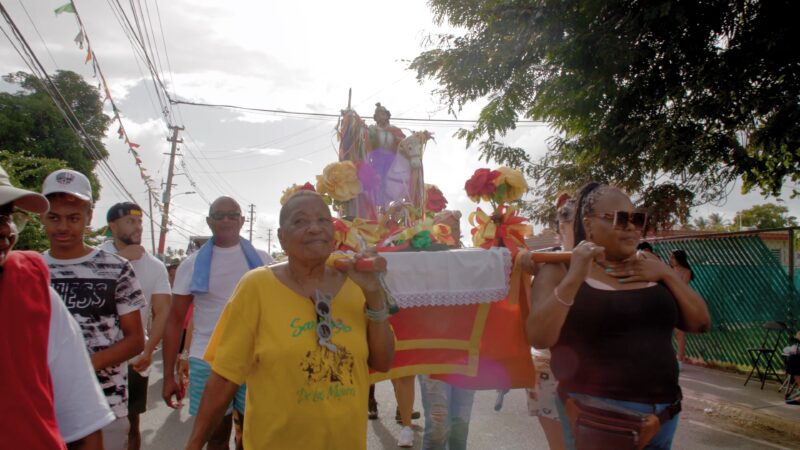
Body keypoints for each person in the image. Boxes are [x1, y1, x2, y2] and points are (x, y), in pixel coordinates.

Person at [185, 190, 395, 449]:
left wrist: (374, 295)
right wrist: (193, 444)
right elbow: (224, 378)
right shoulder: (257, 287)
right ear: (281, 237)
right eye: (300, 221)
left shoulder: (356, 284)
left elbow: (383, 361)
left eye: (323, 220)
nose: (314, 228)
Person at [528, 182, 711, 450]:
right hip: (598, 419)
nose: (630, 226)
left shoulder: (650, 266)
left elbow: (701, 323)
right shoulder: (560, 269)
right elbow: (539, 336)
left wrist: (667, 274)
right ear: (588, 224)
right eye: (618, 218)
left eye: (636, 219)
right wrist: (576, 276)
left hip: (664, 416)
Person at [0, 164, 114, 449]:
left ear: (89, 217)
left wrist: (93, 364)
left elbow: (82, 421)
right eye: (54, 216)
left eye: (6, 215)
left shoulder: (31, 287)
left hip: (112, 391)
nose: (5, 230)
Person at [41, 169, 146, 450]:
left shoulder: (117, 269)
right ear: (42, 217)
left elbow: (136, 340)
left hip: (104, 406)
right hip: (41, 404)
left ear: (89, 217)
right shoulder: (30, 270)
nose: (63, 227)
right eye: (54, 217)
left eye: (73, 218)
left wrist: (81, 368)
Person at [162, 196, 272, 450]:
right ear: (209, 221)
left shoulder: (263, 260)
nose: (226, 220)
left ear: (242, 220)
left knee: (252, 436)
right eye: (219, 215)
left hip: (254, 360)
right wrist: (168, 375)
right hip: (206, 360)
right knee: (216, 437)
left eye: (232, 214)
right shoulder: (191, 264)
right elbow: (175, 319)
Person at [102, 202, 172, 450]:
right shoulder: (96, 256)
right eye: (130, 221)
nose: (138, 227)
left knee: (130, 426)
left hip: (133, 358)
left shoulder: (155, 266)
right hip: (93, 356)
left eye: (140, 221)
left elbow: (163, 310)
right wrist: (120, 259)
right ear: (112, 226)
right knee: (89, 427)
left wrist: (148, 350)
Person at [416, 209, 477, 450]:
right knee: (439, 427)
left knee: (461, 425)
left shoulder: (471, 262)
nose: (451, 234)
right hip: (432, 357)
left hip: (465, 354)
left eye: (456, 230)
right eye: (445, 228)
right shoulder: (419, 263)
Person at [525, 194, 575, 450]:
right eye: (573, 223)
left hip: (595, 377)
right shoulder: (550, 266)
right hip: (548, 369)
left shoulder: (615, 264)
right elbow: (537, 329)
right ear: (561, 228)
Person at [669, 249, 694, 366]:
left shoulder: (686, 271)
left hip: (680, 302)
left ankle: (680, 360)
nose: (671, 259)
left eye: (673, 257)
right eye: (671, 257)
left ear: (679, 258)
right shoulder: (670, 270)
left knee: (679, 332)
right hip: (668, 301)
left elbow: (683, 287)